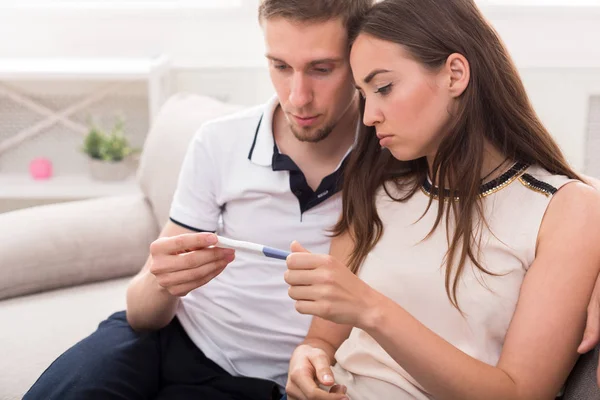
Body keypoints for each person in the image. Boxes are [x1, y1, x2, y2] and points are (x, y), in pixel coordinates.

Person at [23, 1, 373, 399]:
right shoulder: (219, 142)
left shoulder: (389, 158)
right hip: (166, 339)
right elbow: (141, 313)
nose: (298, 97)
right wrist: (163, 282)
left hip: (272, 381)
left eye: (321, 69)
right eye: (279, 66)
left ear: (360, 59)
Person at [283, 0, 600, 399]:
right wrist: (308, 359)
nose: (369, 116)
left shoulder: (562, 210)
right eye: (364, 95)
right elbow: (323, 341)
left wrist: (372, 310)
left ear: (455, 74)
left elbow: (520, 393)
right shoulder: (376, 192)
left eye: (383, 88)